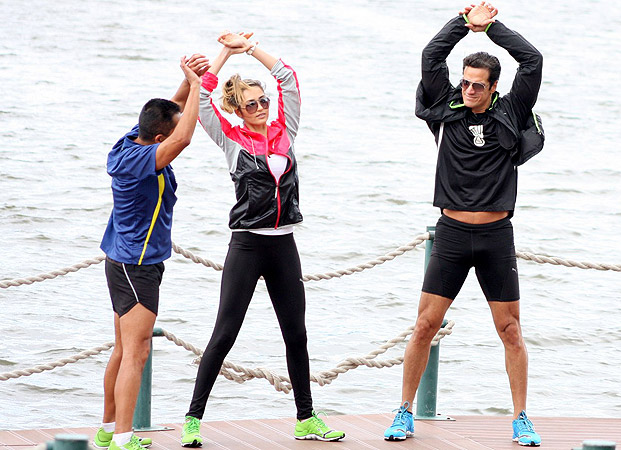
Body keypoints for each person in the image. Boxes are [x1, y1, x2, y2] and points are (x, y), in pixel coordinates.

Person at [383, 2, 544, 447]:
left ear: (494, 89)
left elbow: (532, 61)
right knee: (423, 326)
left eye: (479, 85)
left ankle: (521, 418)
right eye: (466, 83)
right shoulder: (446, 105)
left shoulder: (511, 110)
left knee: (510, 330)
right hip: (451, 234)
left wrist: (492, 29)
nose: (470, 90)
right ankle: (404, 412)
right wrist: (462, 25)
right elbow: (431, 57)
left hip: (495, 236)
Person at [179, 32, 345, 447]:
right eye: (250, 103)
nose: (260, 107)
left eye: (263, 100)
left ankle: (306, 418)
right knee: (224, 333)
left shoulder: (285, 132)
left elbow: (288, 78)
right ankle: (193, 419)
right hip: (248, 246)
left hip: (284, 244)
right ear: (238, 109)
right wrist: (221, 55)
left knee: (297, 334)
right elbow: (200, 100)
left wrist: (250, 48)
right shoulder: (231, 139)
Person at [93, 54, 209, 450]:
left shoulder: (131, 140)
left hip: (121, 260)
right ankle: (124, 438)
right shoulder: (146, 159)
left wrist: (202, 72)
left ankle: (109, 430)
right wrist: (196, 88)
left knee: (125, 348)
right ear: (158, 141)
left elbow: (169, 115)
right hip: (136, 264)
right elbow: (183, 135)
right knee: (137, 352)